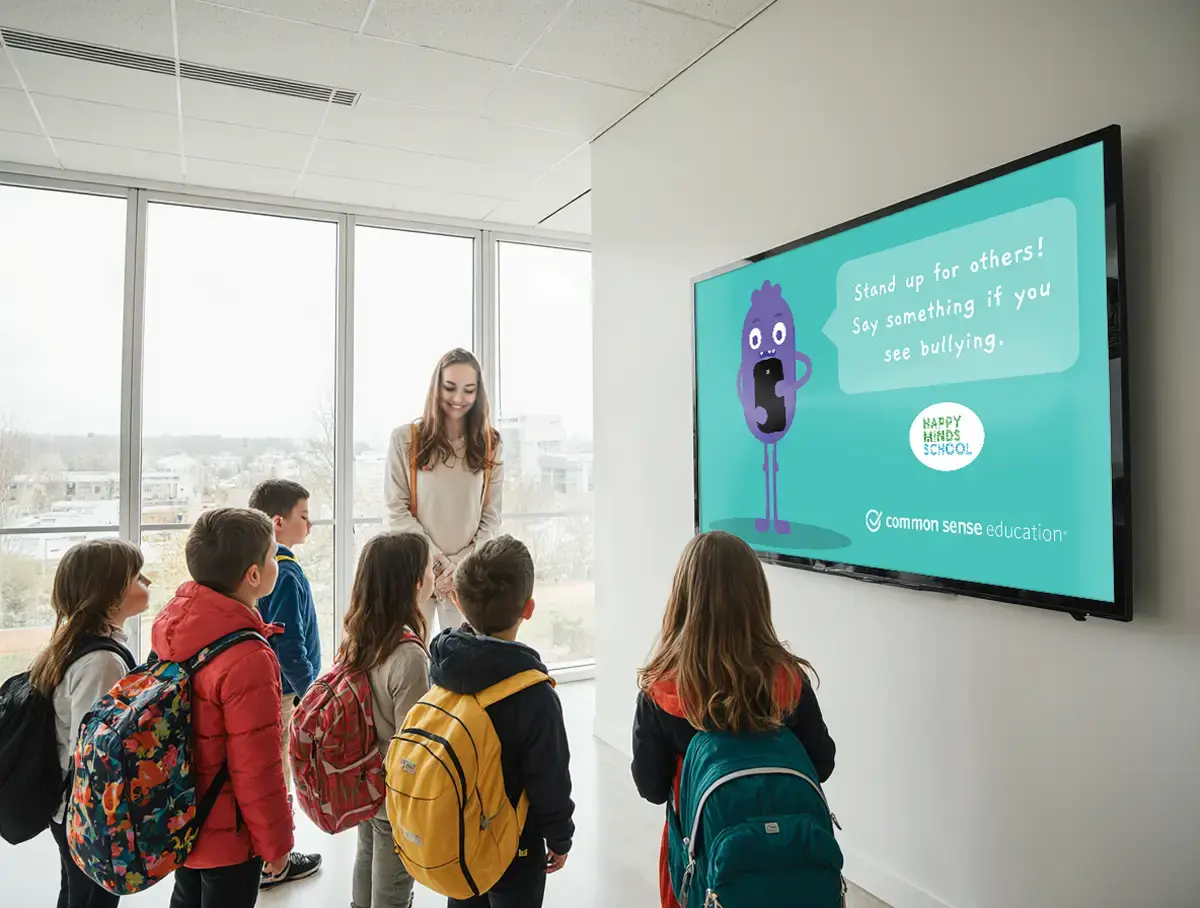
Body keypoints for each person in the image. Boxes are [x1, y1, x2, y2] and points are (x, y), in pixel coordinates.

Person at [630, 531, 836, 908]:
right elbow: (822, 764)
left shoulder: (661, 690)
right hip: (792, 864)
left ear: (683, 600)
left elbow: (652, 787)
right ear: (756, 599)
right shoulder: (789, 679)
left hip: (703, 863)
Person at [150, 508, 294, 908]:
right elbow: (257, 766)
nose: (277, 563)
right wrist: (276, 843)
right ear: (253, 575)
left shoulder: (175, 623)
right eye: (273, 555)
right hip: (227, 831)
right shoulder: (248, 656)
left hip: (182, 811)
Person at [430, 535, 574, 908]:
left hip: (458, 831)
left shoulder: (445, 668)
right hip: (515, 842)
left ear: (458, 602)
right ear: (528, 609)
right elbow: (550, 777)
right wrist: (559, 838)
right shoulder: (534, 693)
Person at [27, 539, 147, 908]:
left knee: (77, 894)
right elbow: (97, 750)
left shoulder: (79, 643)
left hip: (72, 808)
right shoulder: (102, 663)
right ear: (109, 596)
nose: (148, 583)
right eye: (137, 577)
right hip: (88, 812)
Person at [339, 531, 434, 908]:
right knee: (393, 884)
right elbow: (413, 744)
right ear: (414, 584)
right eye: (427, 570)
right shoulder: (409, 656)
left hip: (362, 776)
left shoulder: (358, 637)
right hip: (391, 791)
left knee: (366, 856)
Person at [385, 348, 504, 642]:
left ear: (479, 393)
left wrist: (459, 566)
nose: (458, 398)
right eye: (450, 387)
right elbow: (395, 510)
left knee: (467, 666)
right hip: (414, 571)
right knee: (409, 662)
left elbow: (491, 516)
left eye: (469, 390)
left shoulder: (491, 444)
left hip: (467, 576)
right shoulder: (405, 439)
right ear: (436, 387)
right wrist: (436, 561)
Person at [248, 479, 323, 890]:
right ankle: (276, 860)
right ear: (278, 522)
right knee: (279, 772)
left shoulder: (252, 570)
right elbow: (289, 642)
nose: (309, 525)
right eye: (304, 516)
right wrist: (311, 689)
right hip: (286, 691)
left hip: (266, 688)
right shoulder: (287, 574)